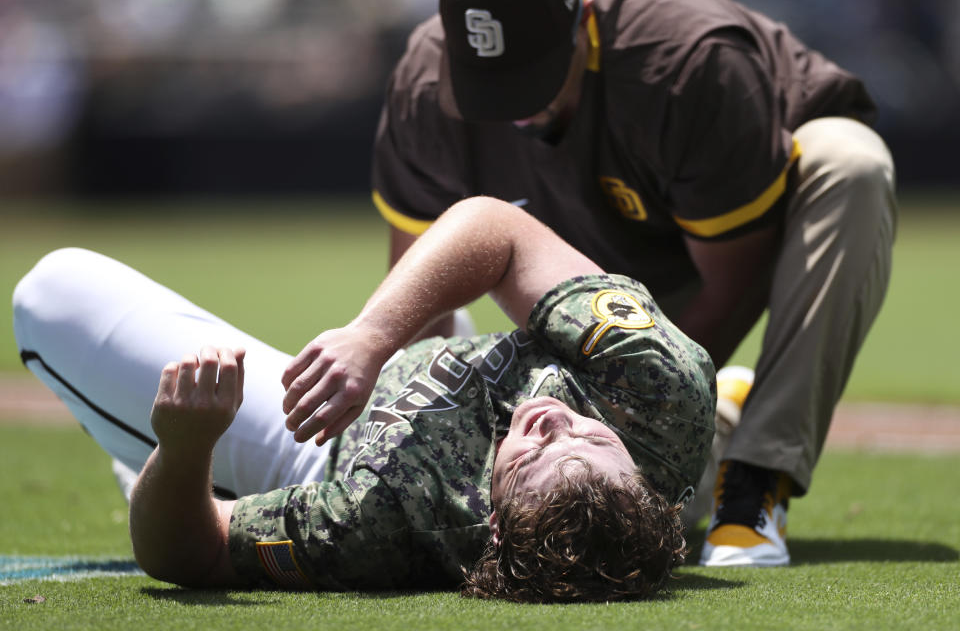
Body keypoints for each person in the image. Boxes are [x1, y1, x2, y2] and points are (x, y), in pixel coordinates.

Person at [371, 0, 898, 566]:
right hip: (557, 289)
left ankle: (757, 475)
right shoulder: (424, 76)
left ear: (586, 12)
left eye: (532, 75)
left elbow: (733, 283)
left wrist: (649, 406)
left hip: (708, 257)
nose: (517, 109)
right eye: (488, 82)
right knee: (580, 503)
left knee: (853, 164)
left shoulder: (686, 58)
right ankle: (724, 422)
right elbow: (418, 287)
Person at [12, 197, 715, 602]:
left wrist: (186, 444)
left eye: (533, 458)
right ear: (646, 483)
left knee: (53, 292)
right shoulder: (659, 395)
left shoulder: (383, 524)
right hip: (408, 353)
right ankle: (718, 464)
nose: (554, 422)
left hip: (319, 444)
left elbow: (188, 554)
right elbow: (499, 227)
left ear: (494, 523)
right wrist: (374, 335)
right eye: (591, 439)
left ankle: (144, 459)